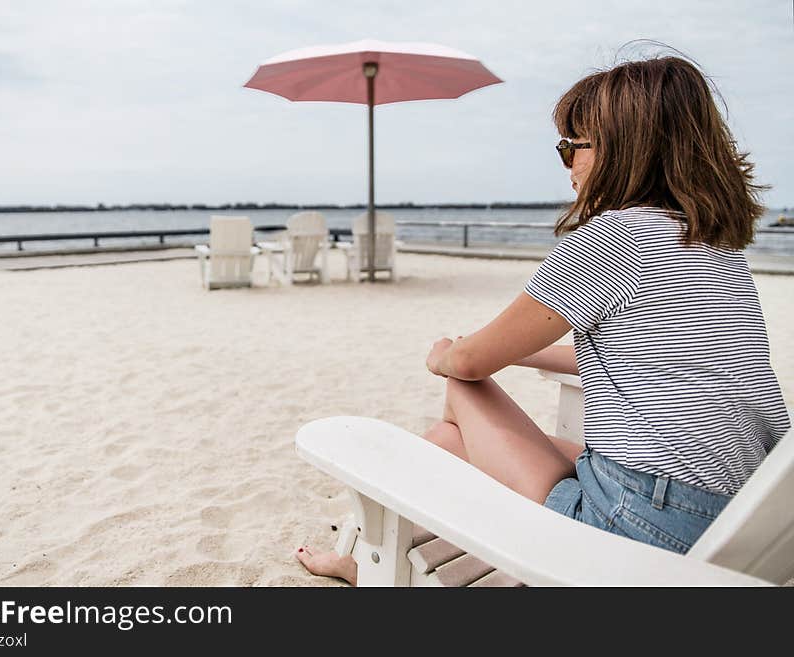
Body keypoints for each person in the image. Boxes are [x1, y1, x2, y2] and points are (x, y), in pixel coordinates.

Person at [296, 54, 791, 586]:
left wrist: (444, 352)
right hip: (737, 519)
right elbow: (652, 357)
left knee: (462, 394)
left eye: (571, 147)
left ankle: (377, 564)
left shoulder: (614, 241)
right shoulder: (713, 248)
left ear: (621, 150)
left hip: (640, 526)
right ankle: (374, 559)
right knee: (452, 441)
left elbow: (468, 362)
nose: (568, 166)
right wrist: (526, 350)